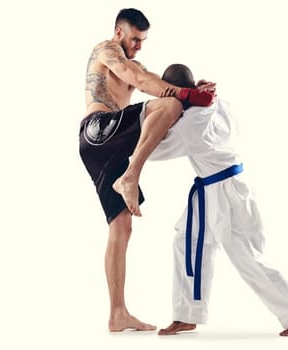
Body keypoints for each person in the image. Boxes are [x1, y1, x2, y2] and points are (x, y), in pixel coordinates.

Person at [149, 64, 288, 337]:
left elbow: (155, 150)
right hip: (218, 186)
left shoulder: (190, 125)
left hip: (223, 191)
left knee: (245, 254)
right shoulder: (218, 102)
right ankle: (187, 314)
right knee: (187, 240)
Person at [77, 8, 215, 331]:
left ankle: (117, 314)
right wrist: (183, 96)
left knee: (121, 226)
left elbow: (156, 82)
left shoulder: (135, 62)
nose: (139, 45)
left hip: (103, 148)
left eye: (143, 40)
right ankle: (131, 175)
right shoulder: (106, 50)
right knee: (171, 105)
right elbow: (139, 80)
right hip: (98, 130)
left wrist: (194, 88)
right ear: (119, 32)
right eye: (135, 39)